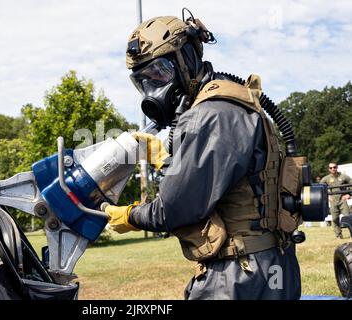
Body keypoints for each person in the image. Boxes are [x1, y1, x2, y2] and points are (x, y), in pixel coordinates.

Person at [103, 11, 301, 299]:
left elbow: (173, 210)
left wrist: (130, 216)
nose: (153, 89)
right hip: (274, 267)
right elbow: (224, 184)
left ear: (187, 60)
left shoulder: (208, 114)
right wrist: (169, 161)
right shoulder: (234, 102)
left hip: (238, 274)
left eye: (160, 72)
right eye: (143, 81)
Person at [320, 162, 351, 238]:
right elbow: (320, 187)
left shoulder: (343, 176)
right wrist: (327, 196)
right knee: (334, 219)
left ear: (337, 167)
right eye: (331, 168)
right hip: (333, 200)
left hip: (342, 200)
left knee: (348, 217)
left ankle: (351, 234)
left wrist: (349, 194)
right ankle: (338, 235)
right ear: (329, 169)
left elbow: (351, 184)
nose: (333, 169)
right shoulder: (326, 178)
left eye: (334, 167)